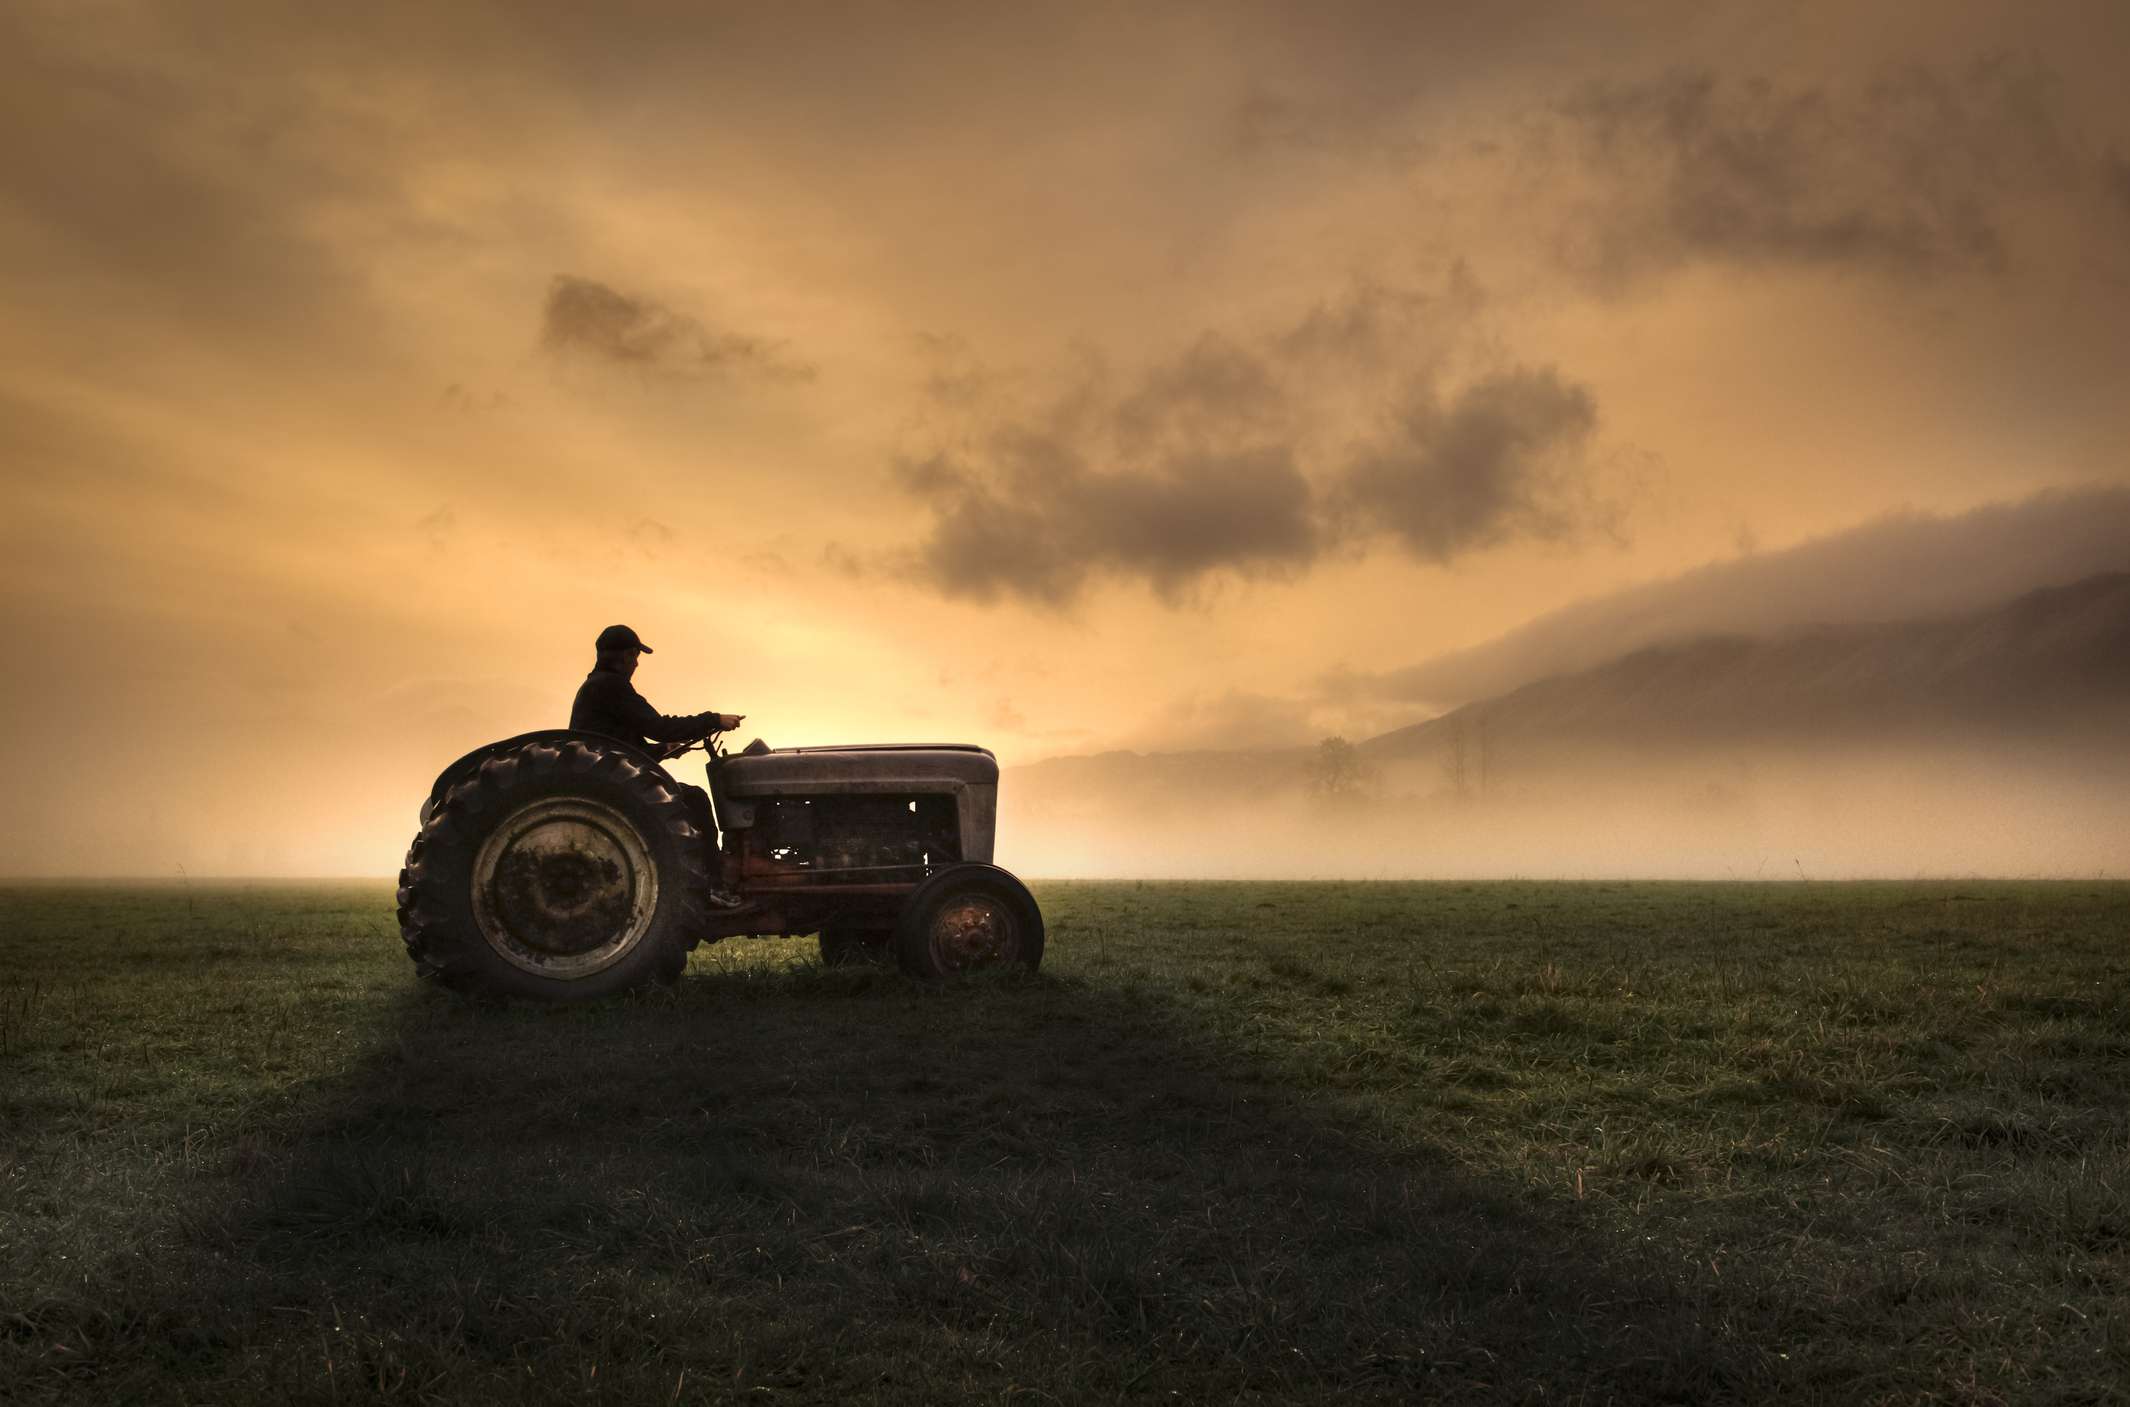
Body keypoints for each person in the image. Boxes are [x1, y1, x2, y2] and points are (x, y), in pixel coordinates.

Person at [569, 623, 745, 908]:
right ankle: (713, 884)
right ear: (626, 656)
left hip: (609, 776)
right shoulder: (611, 686)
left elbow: (617, 742)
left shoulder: (595, 687)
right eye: (636, 656)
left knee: (691, 797)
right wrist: (714, 720)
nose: (637, 663)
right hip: (615, 785)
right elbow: (659, 726)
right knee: (696, 800)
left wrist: (660, 751)